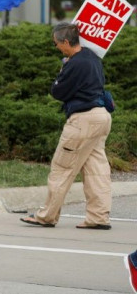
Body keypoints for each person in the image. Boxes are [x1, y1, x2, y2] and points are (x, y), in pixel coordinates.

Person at [20, 22, 112, 229]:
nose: (56, 47)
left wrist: (63, 69)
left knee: (62, 168)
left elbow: (58, 92)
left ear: (66, 41)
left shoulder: (74, 64)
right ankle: (98, 217)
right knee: (96, 170)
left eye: (57, 44)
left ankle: (46, 216)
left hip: (82, 120)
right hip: (102, 117)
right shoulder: (92, 57)